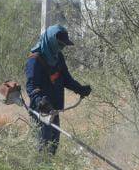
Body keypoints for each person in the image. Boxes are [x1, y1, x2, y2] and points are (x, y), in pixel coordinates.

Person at [25, 25, 91, 154]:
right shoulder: (34, 60)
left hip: (54, 110)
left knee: (53, 148)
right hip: (41, 113)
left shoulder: (58, 57)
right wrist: (40, 101)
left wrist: (80, 89)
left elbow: (66, 79)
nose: (62, 48)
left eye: (63, 45)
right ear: (51, 41)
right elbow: (31, 86)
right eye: (60, 45)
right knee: (42, 149)